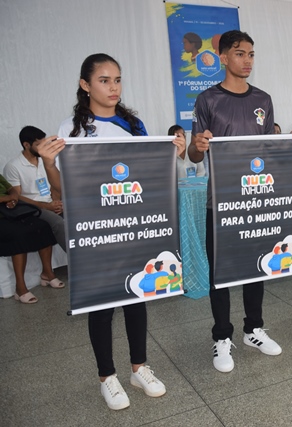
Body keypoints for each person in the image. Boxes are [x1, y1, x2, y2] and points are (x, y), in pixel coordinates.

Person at [41, 53, 185, 410]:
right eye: (104, 80)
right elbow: (60, 190)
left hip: (133, 226)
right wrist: (48, 161)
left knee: (137, 297)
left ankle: (139, 368)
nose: (113, 87)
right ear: (85, 85)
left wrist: (174, 154)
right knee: (101, 304)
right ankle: (107, 377)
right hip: (95, 230)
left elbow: (150, 175)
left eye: (117, 79)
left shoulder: (133, 125)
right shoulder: (71, 130)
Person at [188, 30, 292, 372]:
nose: (247, 60)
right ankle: (221, 337)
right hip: (221, 202)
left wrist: (290, 143)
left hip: (258, 199)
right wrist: (198, 145)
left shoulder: (263, 100)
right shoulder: (207, 100)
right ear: (223, 58)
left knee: (258, 265)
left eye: (251, 54)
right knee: (221, 273)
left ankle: (253, 329)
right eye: (240, 53)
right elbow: (194, 155)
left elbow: (267, 151)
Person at [4, 126, 67, 253]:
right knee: (59, 223)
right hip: (31, 208)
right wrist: (46, 206)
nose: (43, 148)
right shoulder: (13, 166)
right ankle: (76, 258)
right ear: (26, 145)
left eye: (45, 143)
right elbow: (16, 196)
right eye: (39, 145)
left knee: (78, 215)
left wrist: (57, 204)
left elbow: (55, 185)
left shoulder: (46, 160)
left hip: (50, 202)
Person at [0, 174, 61, 304]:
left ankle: (47, 273)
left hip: (9, 210)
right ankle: (20, 288)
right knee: (18, 234)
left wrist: (13, 197)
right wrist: (5, 198)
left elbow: (10, 188)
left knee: (43, 226)